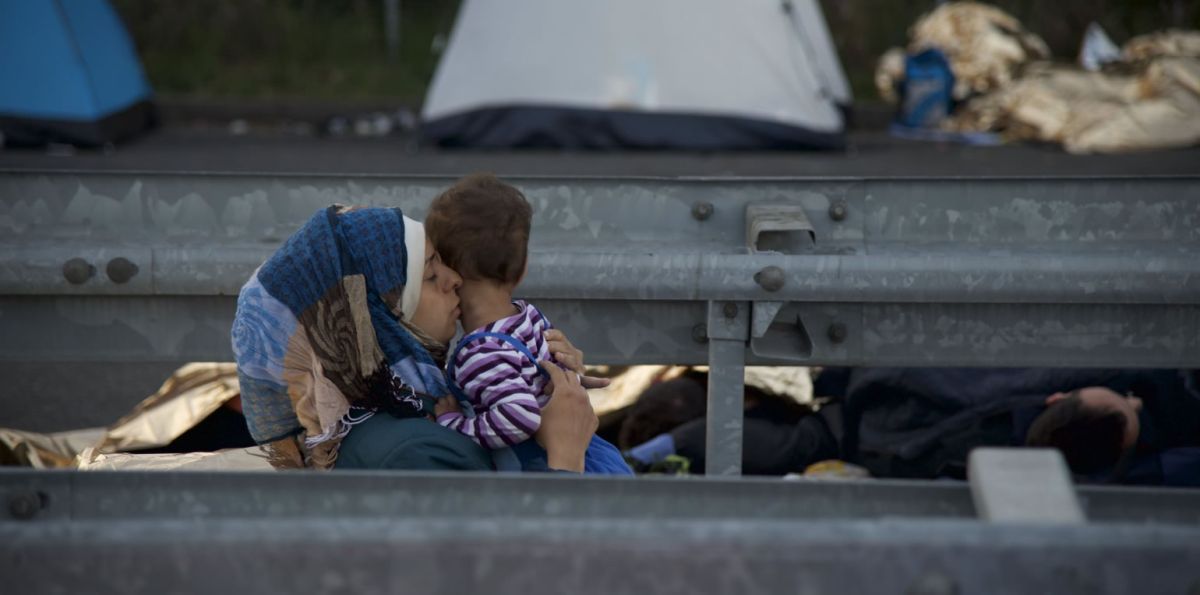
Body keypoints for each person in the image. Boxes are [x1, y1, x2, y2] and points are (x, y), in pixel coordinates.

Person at [230, 203, 603, 472]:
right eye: (429, 275)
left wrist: (540, 381)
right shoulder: (416, 455)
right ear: (375, 314)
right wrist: (566, 455)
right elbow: (509, 573)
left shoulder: (397, 406)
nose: (455, 279)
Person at [422, 174, 630, 474]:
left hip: (546, 464)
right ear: (522, 271)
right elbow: (546, 374)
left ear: (448, 275)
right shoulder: (529, 316)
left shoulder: (481, 353)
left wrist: (455, 425)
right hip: (595, 454)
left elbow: (520, 417)